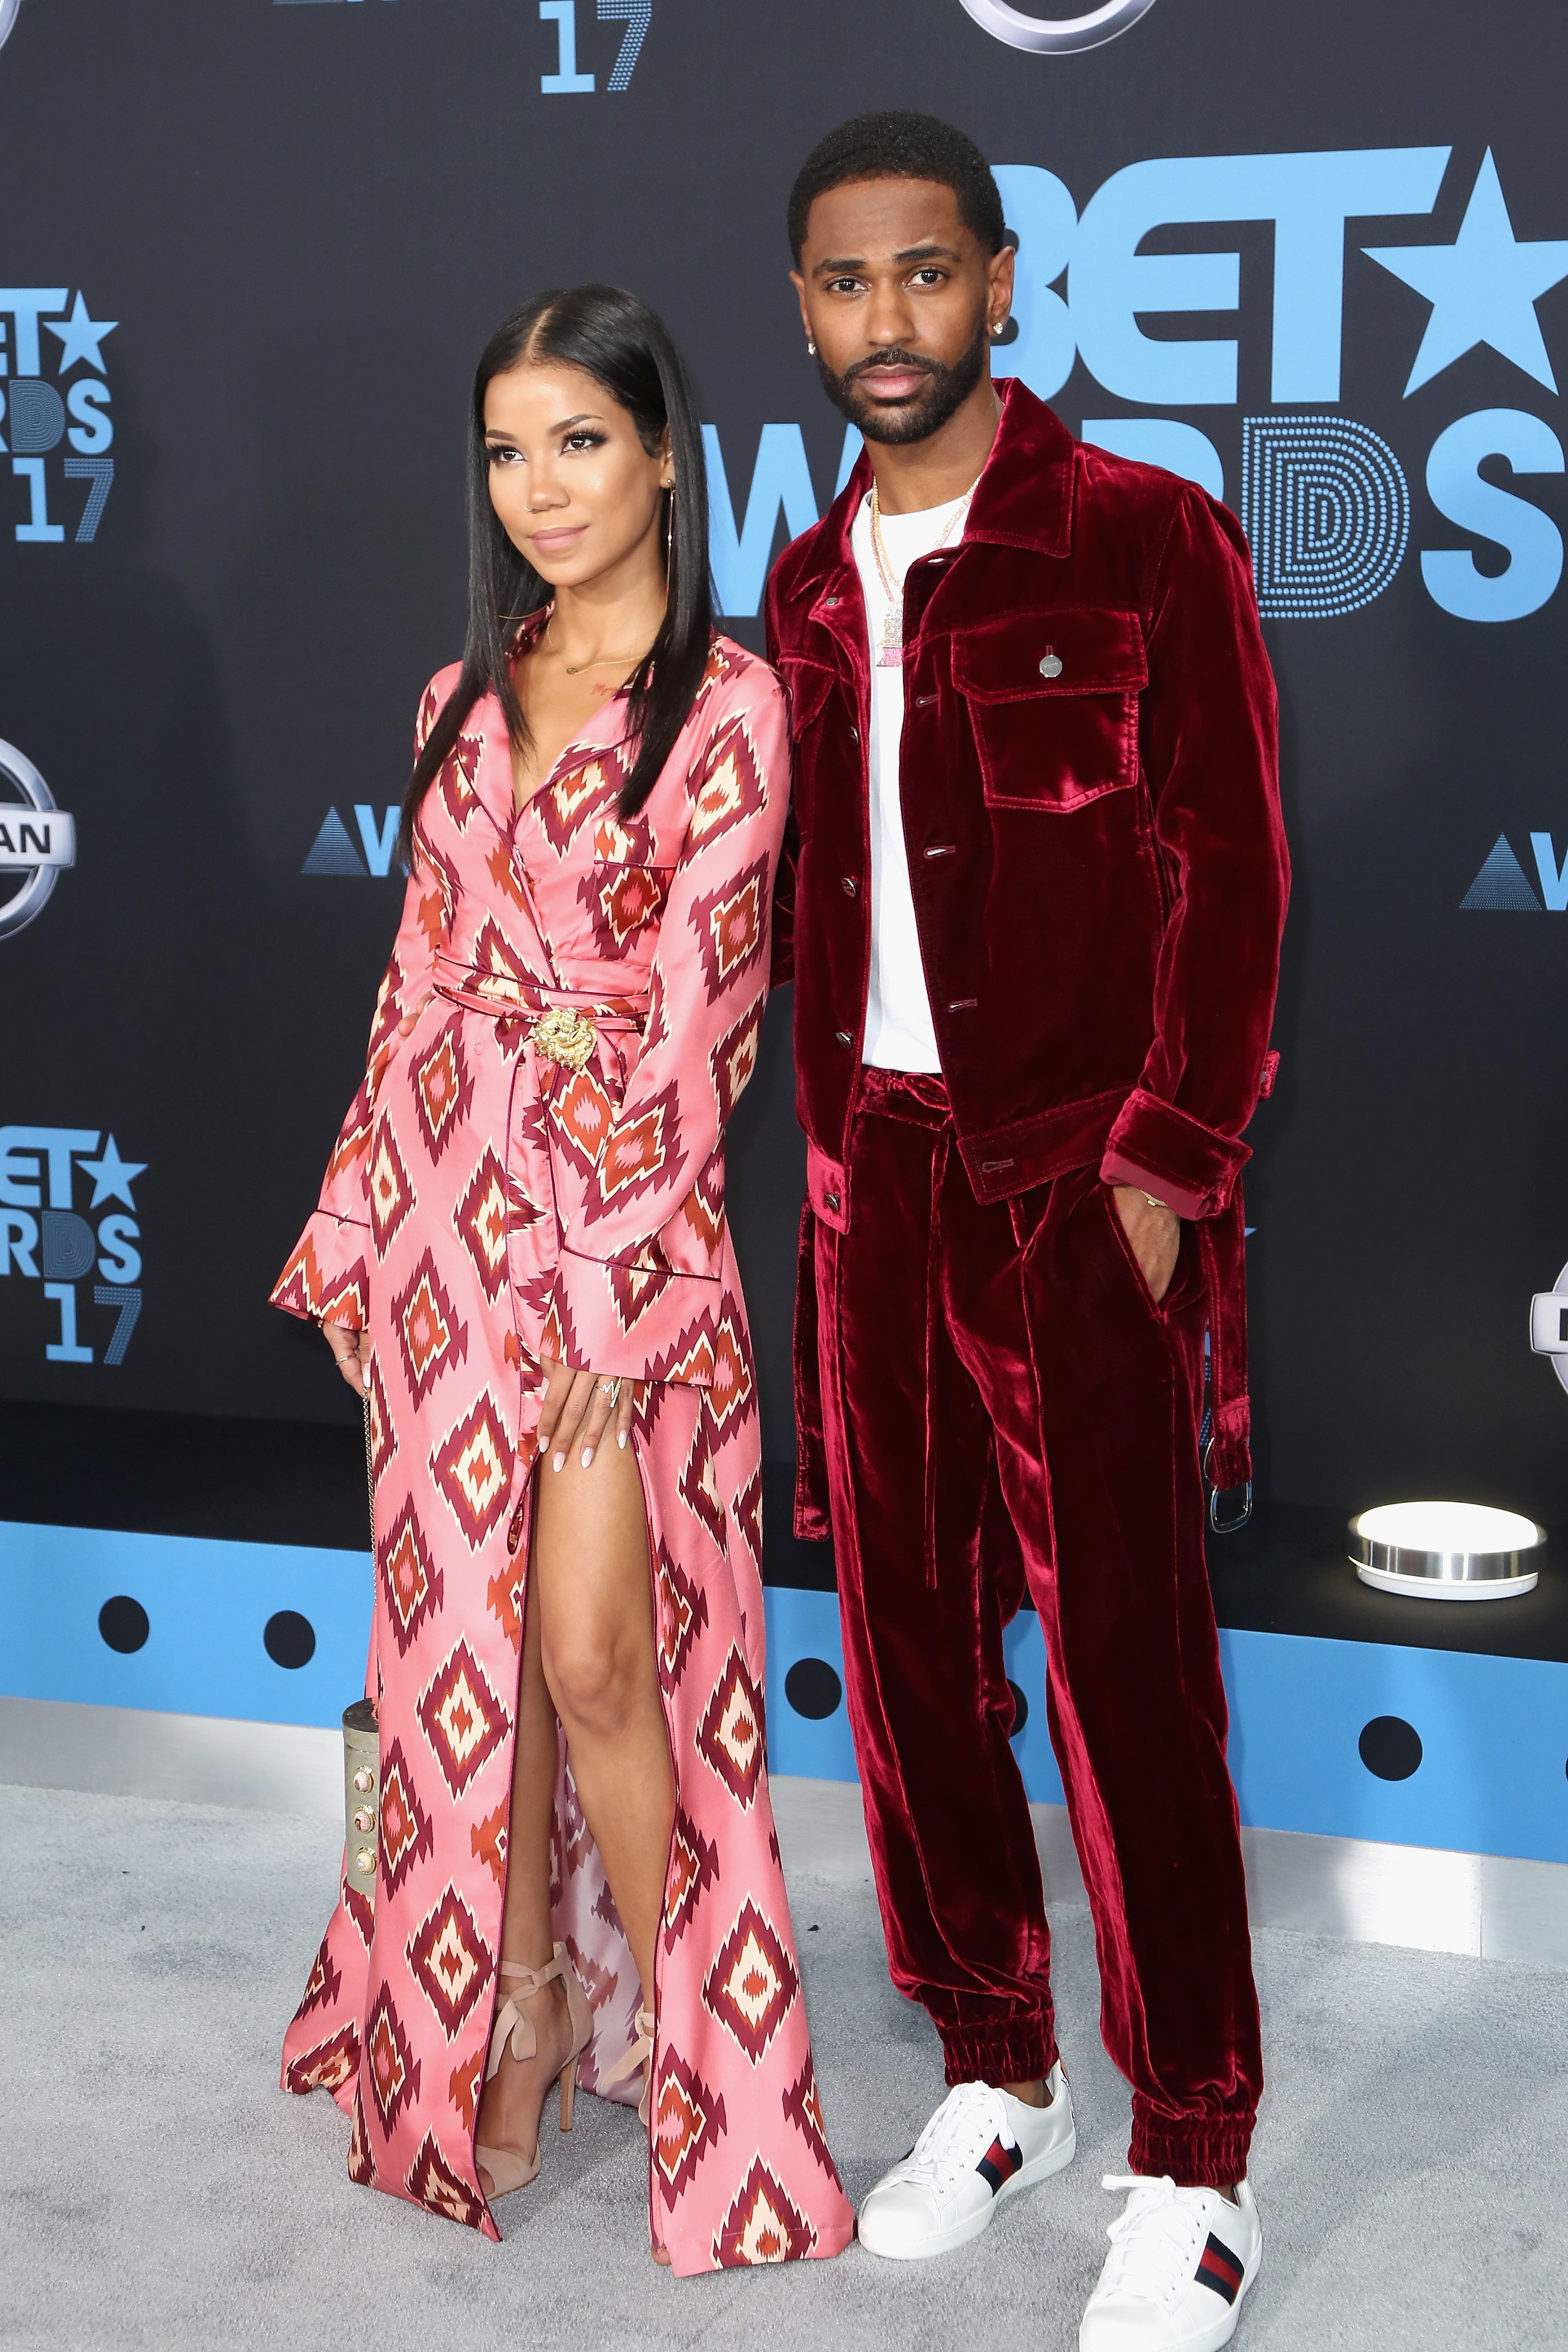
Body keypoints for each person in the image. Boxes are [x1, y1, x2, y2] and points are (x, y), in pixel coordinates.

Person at [766, 114, 1288, 2350]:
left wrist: (1169, 1168)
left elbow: (1235, 866)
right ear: (801, 310)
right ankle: (999, 2066)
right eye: (842, 286)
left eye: (922, 277)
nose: (886, 323)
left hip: (1081, 1180)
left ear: (999, 282)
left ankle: (1196, 2151)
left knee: (1131, 1679)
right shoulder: (798, 586)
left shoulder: (1142, 535)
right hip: (870, 1178)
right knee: (905, 1660)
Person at [272, 284, 853, 2275]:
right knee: (465, 1662)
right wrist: (356, 1235)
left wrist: (608, 1285)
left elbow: (701, 1026)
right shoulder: (453, 695)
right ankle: (502, 2017)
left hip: (618, 1221)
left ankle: (707, 2063)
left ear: (667, 449)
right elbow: (412, 985)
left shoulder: (737, 705)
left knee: (604, 1651)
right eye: (510, 451)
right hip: (438, 1208)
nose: (540, 489)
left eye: (582, 443)